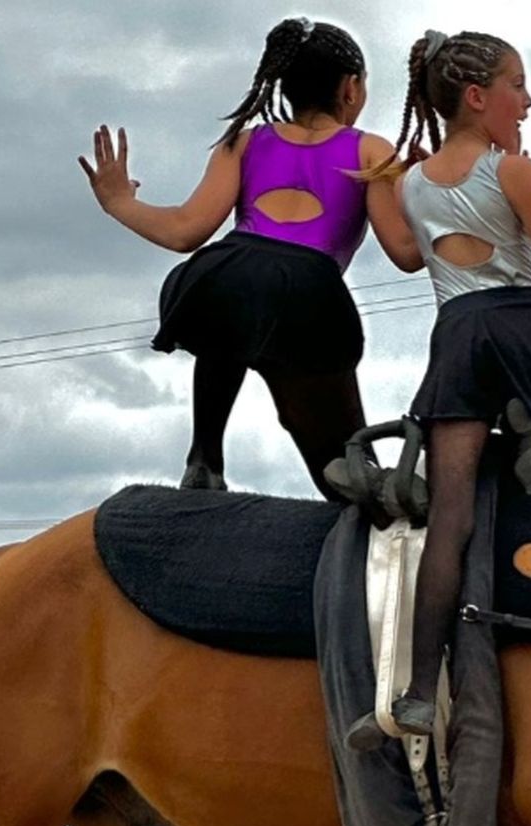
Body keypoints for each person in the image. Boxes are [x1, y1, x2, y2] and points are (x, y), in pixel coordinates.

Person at [344, 27, 531, 745]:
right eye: (517, 86)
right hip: (525, 328)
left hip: (459, 336)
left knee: (451, 518)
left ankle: (414, 693)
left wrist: (380, 188)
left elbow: (411, 258)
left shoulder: (412, 184)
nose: (528, 101)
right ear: (478, 97)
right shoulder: (515, 173)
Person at [79, 17, 422, 495]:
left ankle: (205, 456)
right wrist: (437, 198)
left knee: (234, 304)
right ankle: (356, 479)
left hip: (230, 272)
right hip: (311, 294)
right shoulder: (372, 150)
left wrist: (120, 202)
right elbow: (406, 253)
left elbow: (186, 231)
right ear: (351, 88)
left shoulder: (244, 140)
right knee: (347, 461)